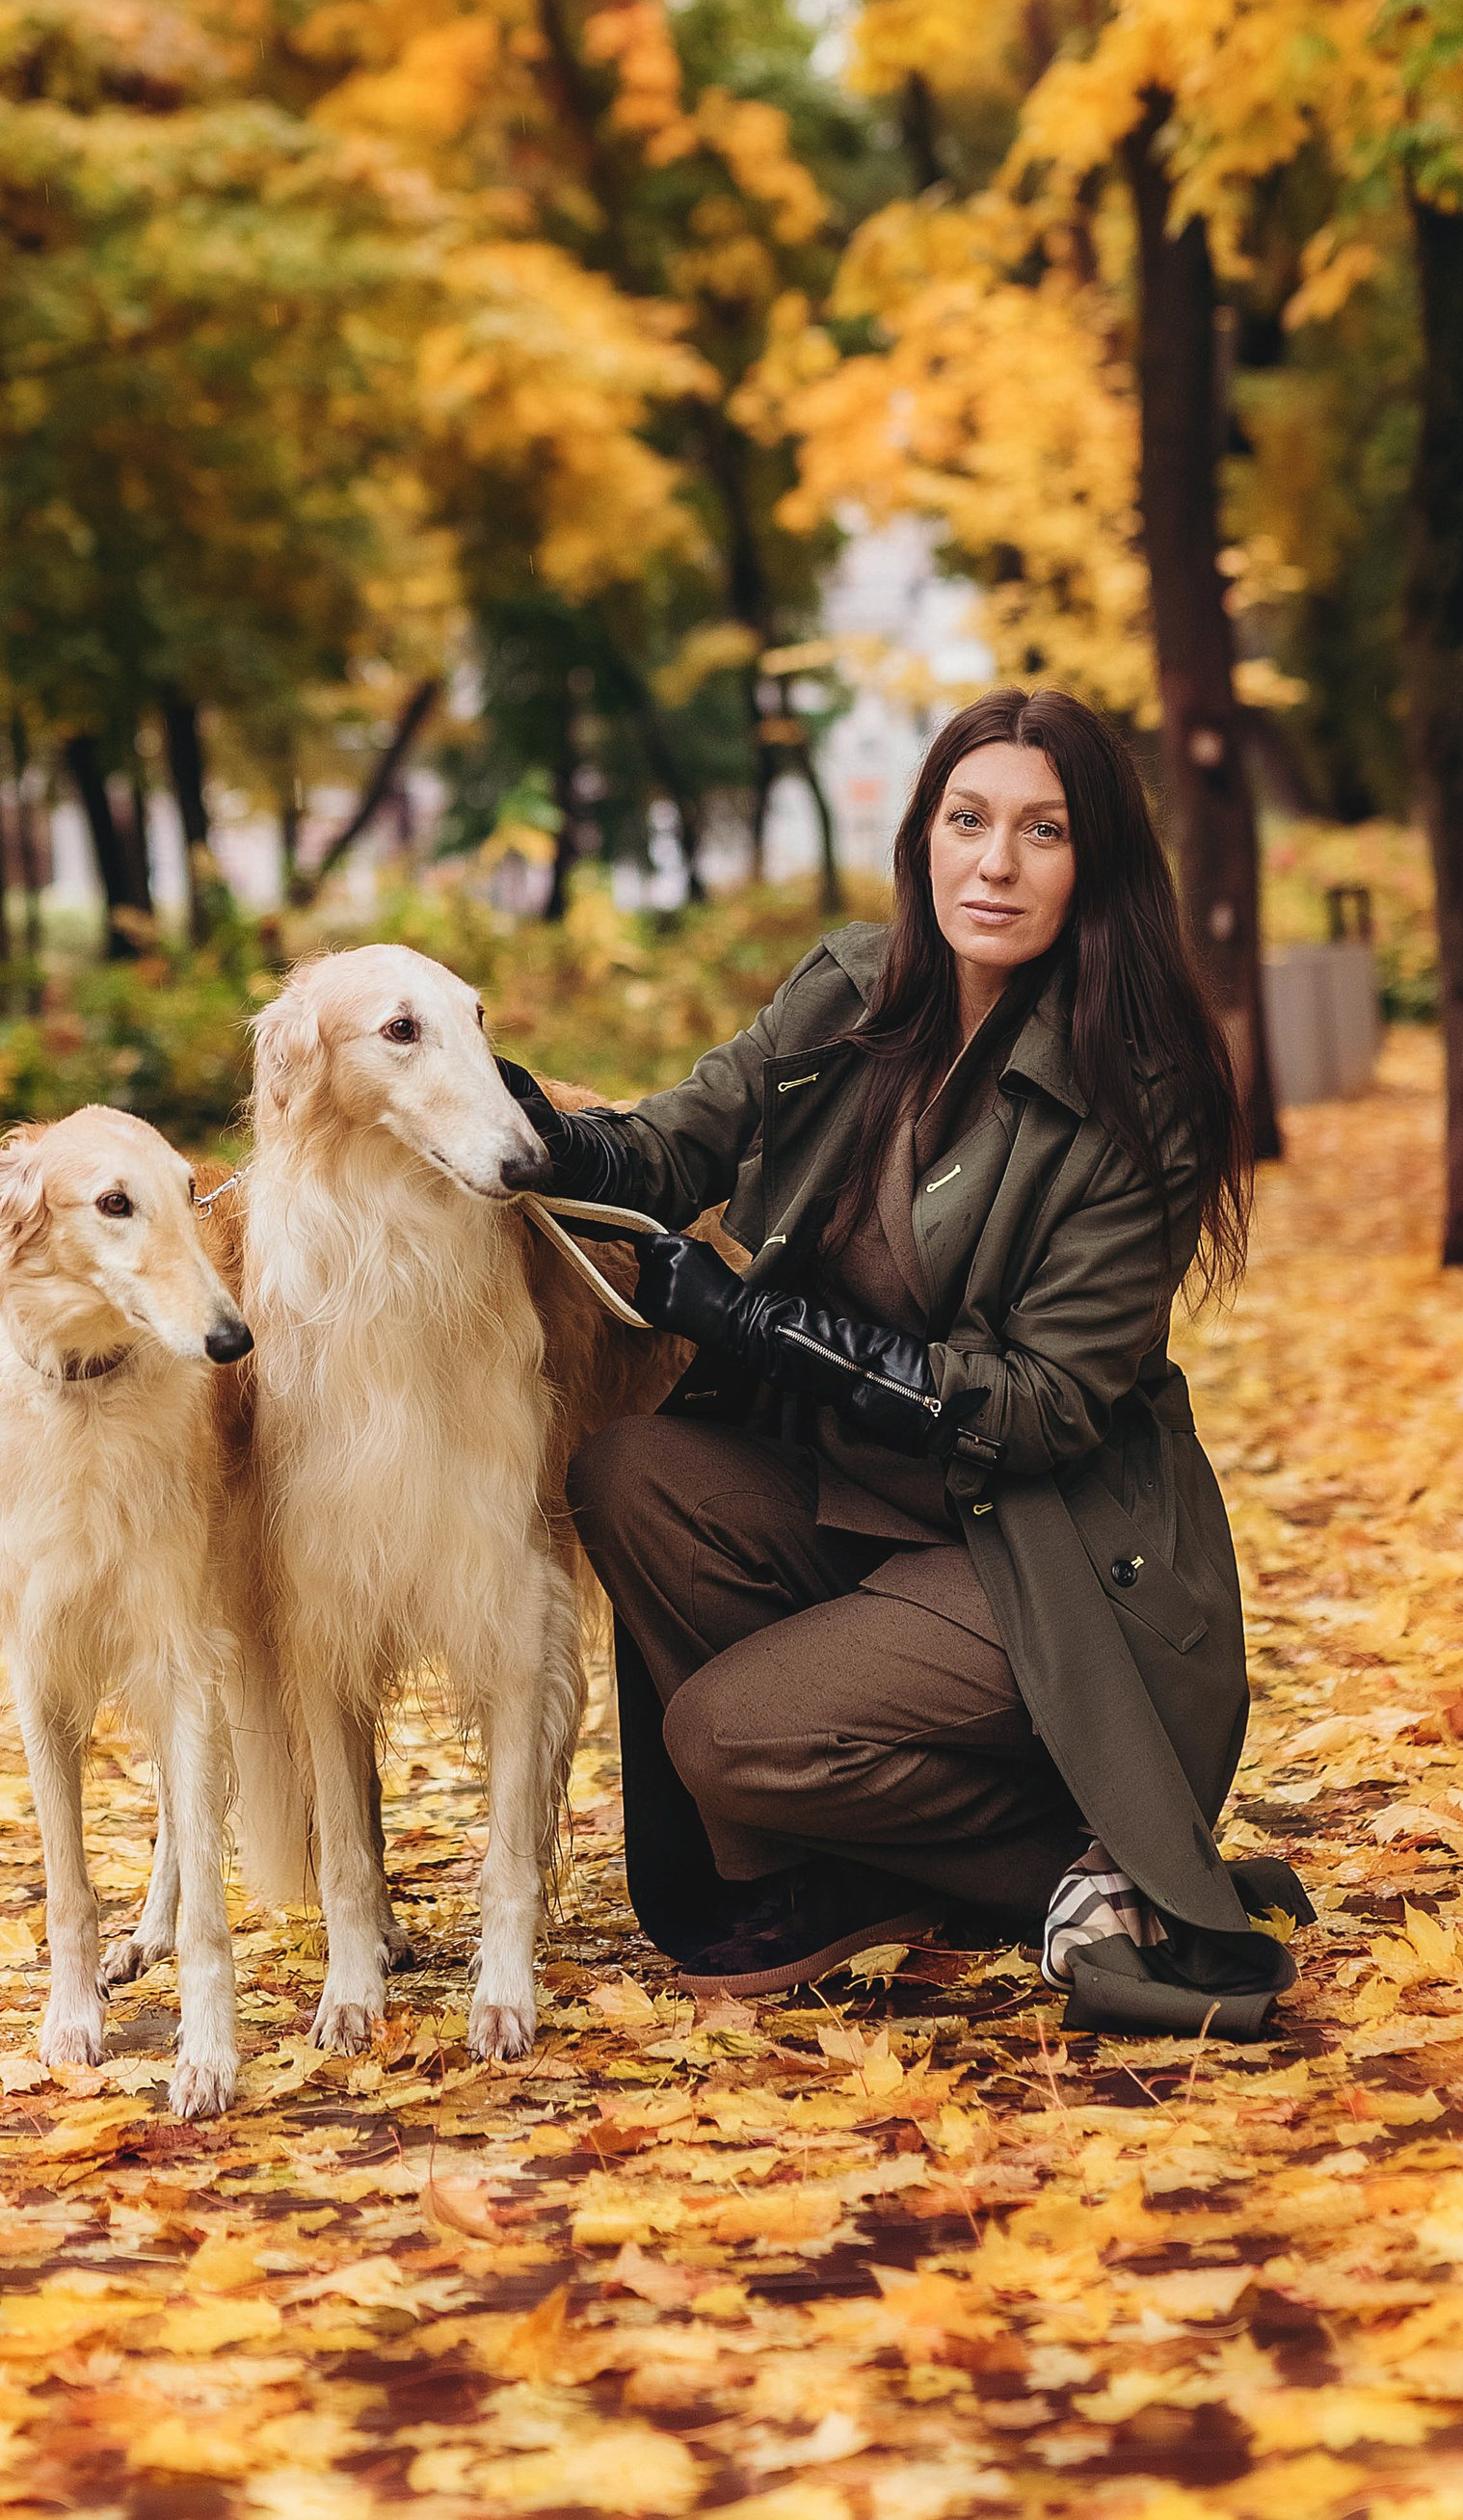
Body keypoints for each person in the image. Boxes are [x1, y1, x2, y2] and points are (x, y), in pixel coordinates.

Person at [500, 684, 1309, 2025]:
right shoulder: (848, 994)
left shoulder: (1138, 1090)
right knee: (631, 1469)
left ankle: (1090, 1864)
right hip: (858, 1507)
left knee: (720, 1736)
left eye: (1042, 831)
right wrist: (543, 1131)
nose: (994, 863)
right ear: (924, 833)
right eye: (968, 817)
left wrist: (762, 1322)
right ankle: (846, 1862)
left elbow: (1045, 1407)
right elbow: (676, 1140)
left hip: (1044, 1551)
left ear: (1094, 861)